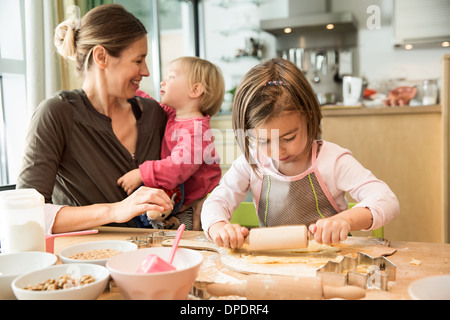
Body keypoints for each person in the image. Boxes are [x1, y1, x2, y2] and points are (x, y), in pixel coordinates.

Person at [201, 58, 400, 248]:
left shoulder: (332, 160)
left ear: (309, 117)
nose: (278, 151)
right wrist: (219, 227)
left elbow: (386, 199)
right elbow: (217, 201)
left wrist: (346, 220)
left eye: (289, 137)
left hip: (331, 262)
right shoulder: (251, 160)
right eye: (264, 141)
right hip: (275, 263)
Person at [16, 4, 173, 234]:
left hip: (151, 257)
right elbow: (25, 213)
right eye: (138, 61)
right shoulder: (57, 113)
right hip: (84, 263)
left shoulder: (154, 114)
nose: (146, 71)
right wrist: (115, 210)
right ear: (101, 57)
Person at [117, 57, 224, 230]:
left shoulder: (197, 130)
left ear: (195, 90)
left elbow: (178, 167)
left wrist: (142, 174)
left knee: (185, 244)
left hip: (191, 207)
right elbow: (148, 102)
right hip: (178, 199)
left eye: (171, 77)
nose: (163, 81)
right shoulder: (174, 115)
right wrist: (128, 87)